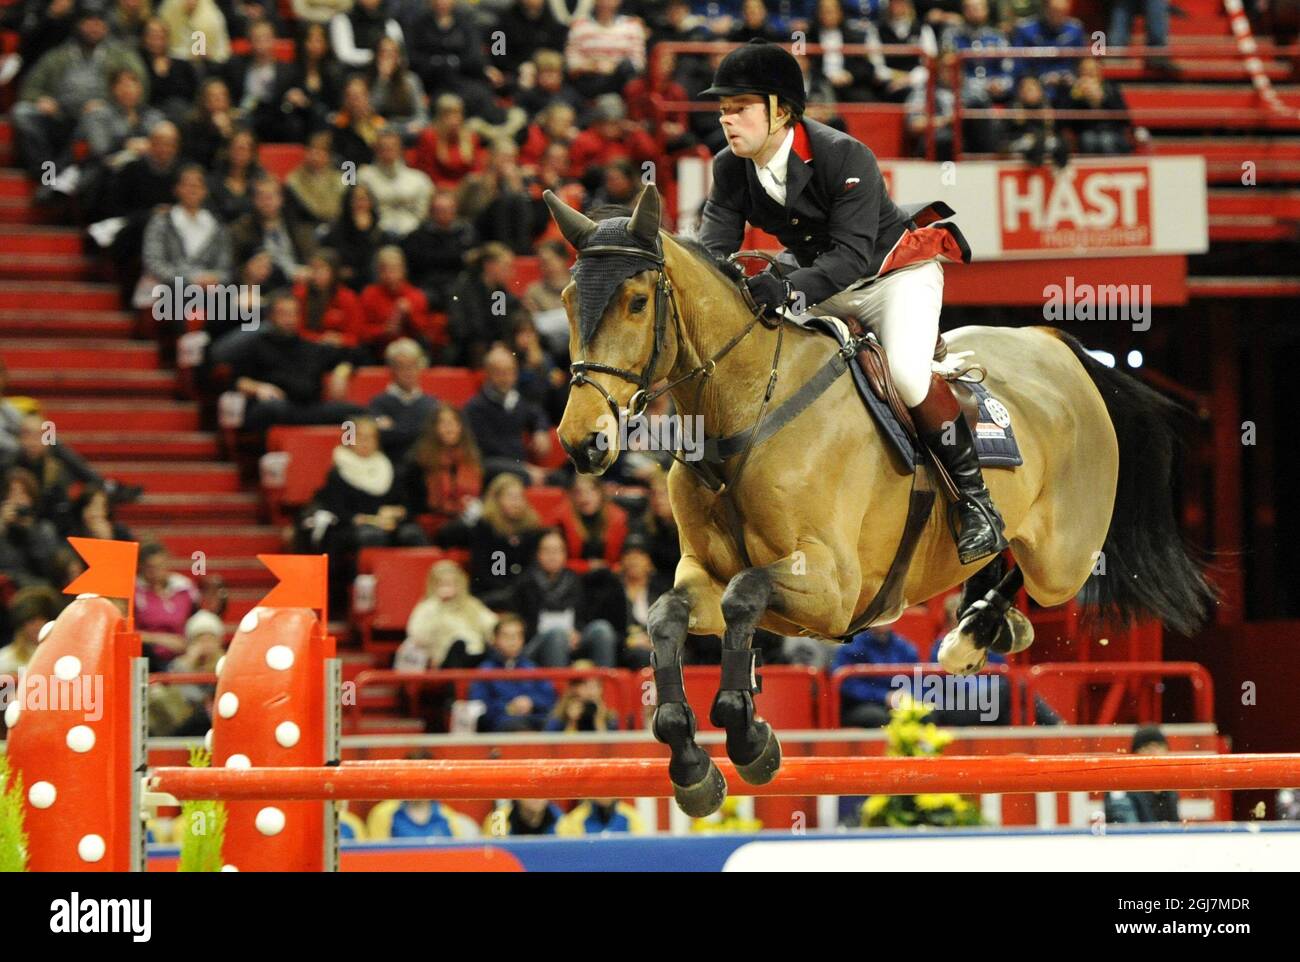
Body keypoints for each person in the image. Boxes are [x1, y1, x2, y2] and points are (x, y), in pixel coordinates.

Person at [697, 39, 1002, 565]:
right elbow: (711, 251)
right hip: (822, 282)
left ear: (781, 112)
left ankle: (976, 503)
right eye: (723, 110)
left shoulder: (843, 154)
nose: (728, 121)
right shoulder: (730, 167)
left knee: (906, 375)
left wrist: (787, 288)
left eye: (740, 108)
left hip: (891, 276)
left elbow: (853, 257)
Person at [11, 4, 148, 185]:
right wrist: (41, 100)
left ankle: (67, 177)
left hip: (104, 117)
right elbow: (30, 88)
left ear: (106, 26)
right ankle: (46, 172)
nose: (94, 27)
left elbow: (140, 86)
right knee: (22, 113)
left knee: (95, 118)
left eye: (99, 23)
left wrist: (108, 104)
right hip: (62, 114)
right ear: (78, 25)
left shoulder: (121, 55)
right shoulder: (59, 55)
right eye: (89, 22)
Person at [226, 291, 365, 431]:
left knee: (358, 412)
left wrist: (341, 371)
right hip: (274, 407)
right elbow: (235, 380)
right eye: (283, 314)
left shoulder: (311, 347)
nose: (290, 319)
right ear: (270, 316)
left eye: (294, 313)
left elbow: (357, 354)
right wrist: (258, 388)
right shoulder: (255, 346)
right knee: (272, 408)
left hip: (309, 408)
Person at [508, 528, 620, 667]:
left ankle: (606, 683)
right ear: (538, 554)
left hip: (572, 638)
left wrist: (576, 633)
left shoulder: (574, 580)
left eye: (557, 551)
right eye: (547, 551)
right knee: (557, 635)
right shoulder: (525, 583)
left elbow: (582, 615)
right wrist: (559, 635)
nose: (552, 556)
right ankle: (559, 686)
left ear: (565, 554)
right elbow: (522, 624)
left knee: (601, 629)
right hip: (537, 642)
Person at [435, 471, 542, 603]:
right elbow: (483, 569)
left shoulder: (531, 528)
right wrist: (508, 589)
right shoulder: (485, 527)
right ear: (497, 500)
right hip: (489, 590)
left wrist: (519, 588)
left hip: (521, 591)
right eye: (511, 497)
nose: (516, 502)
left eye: (519, 497)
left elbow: (532, 566)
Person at [462, 344, 552, 484]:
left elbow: (537, 414)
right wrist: (523, 468)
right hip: (493, 466)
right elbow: (487, 448)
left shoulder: (518, 400)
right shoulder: (475, 407)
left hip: (520, 465)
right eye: (499, 372)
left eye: (510, 371)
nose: (506, 377)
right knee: (525, 477)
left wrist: (540, 430)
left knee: (558, 479)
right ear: (488, 373)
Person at [394, 559, 497, 670]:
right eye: (442, 583)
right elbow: (419, 637)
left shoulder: (471, 604)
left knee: (492, 655)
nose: (448, 587)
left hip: (476, 655)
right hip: (444, 660)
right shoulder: (428, 607)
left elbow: (492, 625)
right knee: (458, 646)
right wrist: (438, 605)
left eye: (452, 583)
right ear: (433, 585)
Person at [469, 613, 557, 732]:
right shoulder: (485, 670)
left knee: (555, 724)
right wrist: (507, 707)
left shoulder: (532, 668)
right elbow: (480, 706)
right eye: (506, 636)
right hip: (502, 723)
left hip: (535, 718)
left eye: (517, 636)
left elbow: (550, 698)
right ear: (495, 639)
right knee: (515, 726)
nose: (512, 641)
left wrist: (531, 702)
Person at [399, 405, 483, 528]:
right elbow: (415, 504)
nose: (449, 428)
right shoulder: (419, 461)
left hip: (465, 517)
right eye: (443, 423)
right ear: (433, 429)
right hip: (431, 521)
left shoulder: (471, 459)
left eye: (454, 423)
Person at [444, 247, 524, 367]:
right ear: (489, 265)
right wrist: (487, 343)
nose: (510, 272)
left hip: (491, 346)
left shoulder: (499, 293)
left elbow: (500, 322)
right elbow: (460, 327)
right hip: (466, 349)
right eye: (506, 266)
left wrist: (499, 342)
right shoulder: (463, 288)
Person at [357, 246, 442, 358]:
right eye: (384, 269)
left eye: (394, 268)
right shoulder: (369, 294)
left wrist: (409, 315)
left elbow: (424, 331)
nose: (389, 274)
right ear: (378, 271)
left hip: (410, 351)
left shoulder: (415, 295)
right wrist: (383, 331)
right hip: (377, 349)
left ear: (403, 269)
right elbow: (361, 330)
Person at [401, 189, 477, 312]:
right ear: (431, 212)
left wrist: (447, 258)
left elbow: (473, 258)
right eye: (439, 210)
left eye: (448, 209)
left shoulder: (466, 232)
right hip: (428, 284)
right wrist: (458, 258)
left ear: (455, 210)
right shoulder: (418, 235)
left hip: (458, 282)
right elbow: (421, 262)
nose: (444, 213)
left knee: (469, 295)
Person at [367, 337, 440, 460]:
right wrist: (419, 431)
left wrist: (396, 428)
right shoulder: (378, 403)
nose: (408, 372)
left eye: (412, 366)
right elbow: (381, 437)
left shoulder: (432, 404)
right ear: (391, 370)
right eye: (401, 366)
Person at [832, 626, 920, 727]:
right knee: (878, 717)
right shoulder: (851, 646)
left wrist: (905, 696)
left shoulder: (904, 646)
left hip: (900, 704)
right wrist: (883, 696)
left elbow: (917, 680)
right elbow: (847, 685)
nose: (884, 619)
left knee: (922, 714)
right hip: (860, 706)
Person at [135, 540, 201, 670]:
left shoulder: (185, 587)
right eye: (150, 567)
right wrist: (161, 640)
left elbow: (198, 619)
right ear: (141, 567)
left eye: (160, 565)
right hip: (149, 658)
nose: (156, 571)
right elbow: (126, 633)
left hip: (185, 654)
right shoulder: (134, 591)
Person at [359, 128, 434, 239]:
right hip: (376, 234)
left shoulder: (419, 179)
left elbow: (423, 214)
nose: (388, 150)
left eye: (392, 146)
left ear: (401, 149)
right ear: (376, 149)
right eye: (383, 147)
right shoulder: (363, 176)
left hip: (414, 234)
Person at [1104, 726, 1181, 823]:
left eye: (1159, 747)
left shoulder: (1169, 790)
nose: (1155, 754)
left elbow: (1174, 829)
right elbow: (1129, 832)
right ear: (1135, 755)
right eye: (1147, 748)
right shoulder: (1121, 787)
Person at [294, 249, 364, 346]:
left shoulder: (347, 296)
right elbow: (296, 329)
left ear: (333, 271)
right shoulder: (300, 293)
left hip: (340, 348)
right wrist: (320, 338)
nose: (316, 273)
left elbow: (356, 334)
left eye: (321, 268)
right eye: (313, 268)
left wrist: (341, 339)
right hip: (309, 346)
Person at [285, 130, 346, 228]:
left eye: (320, 152)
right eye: (311, 151)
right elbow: (310, 211)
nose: (314, 156)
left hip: (337, 227)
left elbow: (340, 209)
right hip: (307, 227)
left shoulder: (339, 179)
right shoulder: (294, 180)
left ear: (329, 156)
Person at [0, 585, 60, 677]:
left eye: (42, 619)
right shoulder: (5, 660)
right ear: (21, 625)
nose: (37, 626)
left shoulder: (62, 654)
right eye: (31, 621)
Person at [556, 798, 645, 834]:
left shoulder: (632, 817)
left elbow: (637, 852)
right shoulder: (572, 820)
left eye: (610, 785)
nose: (605, 792)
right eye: (600, 785)